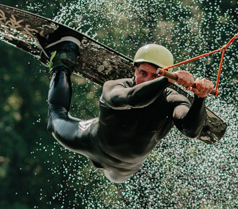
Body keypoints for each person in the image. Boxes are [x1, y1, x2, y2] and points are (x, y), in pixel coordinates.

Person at [46, 38, 214, 184]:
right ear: (134, 70)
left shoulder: (172, 100)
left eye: (155, 76)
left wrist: (200, 98)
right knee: (55, 120)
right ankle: (62, 62)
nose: (146, 80)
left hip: (124, 169)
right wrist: (166, 80)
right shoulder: (114, 86)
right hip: (91, 141)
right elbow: (132, 99)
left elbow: (190, 130)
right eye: (143, 73)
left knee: (116, 180)